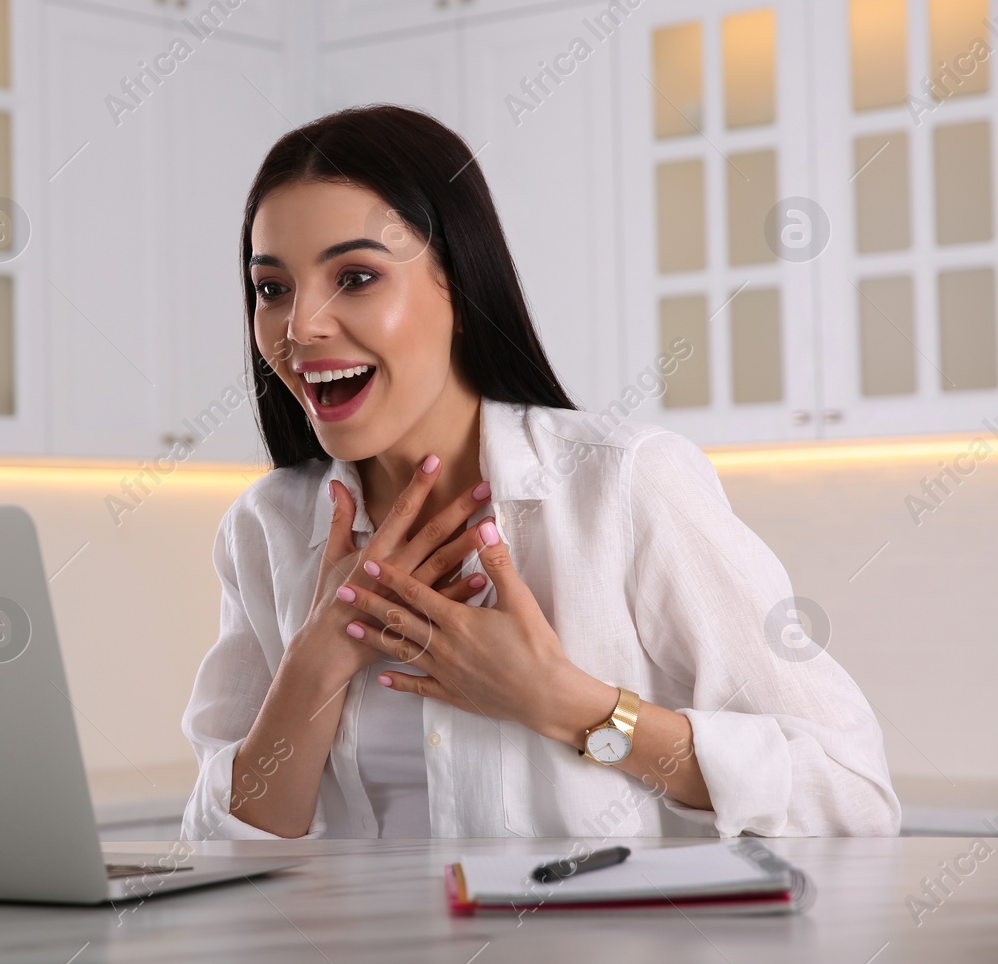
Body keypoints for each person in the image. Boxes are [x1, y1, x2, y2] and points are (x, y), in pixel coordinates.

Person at [179, 105, 899, 840]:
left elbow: (851, 796)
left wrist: (565, 704)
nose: (300, 327)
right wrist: (315, 662)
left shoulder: (625, 486)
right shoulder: (264, 529)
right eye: (273, 288)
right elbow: (220, 852)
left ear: (458, 285)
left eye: (356, 276)